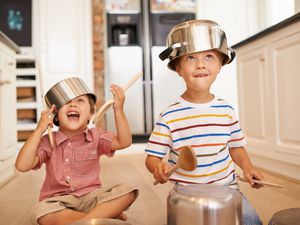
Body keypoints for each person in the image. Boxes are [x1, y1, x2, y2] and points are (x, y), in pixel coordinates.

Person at [145, 20, 264, 225]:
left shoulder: (226, 110)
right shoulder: (170, 115)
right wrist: (158, 168)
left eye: (209, 57)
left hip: (227, 191)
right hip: (187, 195)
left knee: (251, 221)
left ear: (220, 64)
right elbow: (152, 157)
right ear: (178, 68)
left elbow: (236, 148)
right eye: (191, 58)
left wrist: (247, 167)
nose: (200, 64)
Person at [15, 77, 138, 225]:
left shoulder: (96, 136)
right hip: (58, 201)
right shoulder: (48, 141)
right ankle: (98, 217)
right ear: (56, 117)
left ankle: (84, 220)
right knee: (41, 213)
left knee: (128, 192)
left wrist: (118, 110)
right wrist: (39, 129)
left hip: (91, 197)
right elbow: (22, 166)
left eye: (80, 101)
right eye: (66, 102)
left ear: (90, 115)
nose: (73, 104)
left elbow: (124, 142)